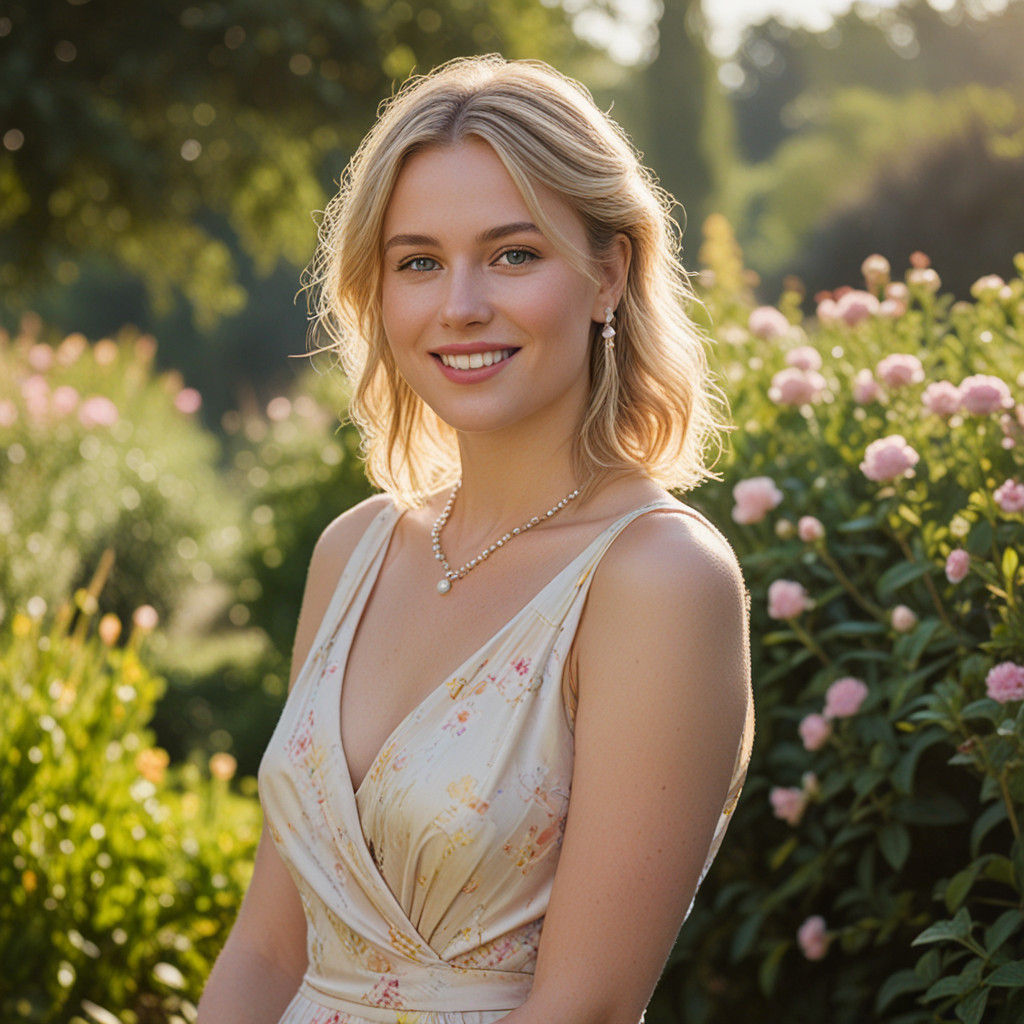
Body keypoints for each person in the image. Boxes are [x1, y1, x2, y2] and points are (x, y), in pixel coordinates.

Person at [197, 54, 754, 1024]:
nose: (459, 304)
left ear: (606, 272)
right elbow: (267, 945)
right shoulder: (355, 550)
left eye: (511, 254)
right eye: (418, 261)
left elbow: (582, 1004)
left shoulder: (660, 577)